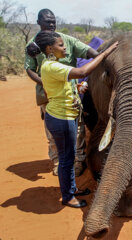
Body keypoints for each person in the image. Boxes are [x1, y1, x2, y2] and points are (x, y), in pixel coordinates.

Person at [26, 31, 118, 208]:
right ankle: (68, 197)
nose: (65, 47)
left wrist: (76, 87)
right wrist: (105, 53)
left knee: (70, 156)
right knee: (67, 159)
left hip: (64, 114)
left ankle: (72, 188)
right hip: (62, 118)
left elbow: (56, 85)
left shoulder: (53, 64)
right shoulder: (52, 66)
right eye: (61, 45)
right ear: (49, 48)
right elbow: (83, 70)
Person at [24, 9, 99, 176]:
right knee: (53, 131)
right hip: (47, 95)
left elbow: (88, 51)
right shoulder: (33, 45)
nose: (51, 24)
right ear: (39, 22)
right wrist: (47, 82)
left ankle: (78, 160)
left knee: (77, 127)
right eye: (47, 21)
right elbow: (29, 69)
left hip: (70, 93)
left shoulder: (65, 40)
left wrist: (101, 55)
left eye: (53, 21)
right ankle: (57, 161)